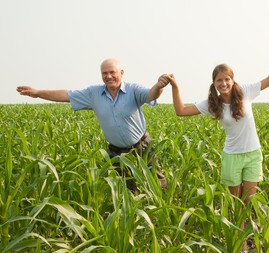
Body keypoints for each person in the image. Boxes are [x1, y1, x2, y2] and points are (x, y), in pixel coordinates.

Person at [165, 41, 269, 250]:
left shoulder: (246, 92)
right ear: (214, 83)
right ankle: (240, 243)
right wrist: (176, 86)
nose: (223, 83)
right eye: (219, 80)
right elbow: (181, 111)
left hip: (252, 154)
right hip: (232, 156)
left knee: (249, 200)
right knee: (235, 203)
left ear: (233, 80)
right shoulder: (211, 103)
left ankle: (251, 233)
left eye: (227, 79)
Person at [16, 58, 168, 192]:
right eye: (104, 73)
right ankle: (132, 219)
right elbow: (66, 95)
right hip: (117, 151)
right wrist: (37, 93)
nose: (108, 76)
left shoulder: (133, 90)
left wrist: (159, 86)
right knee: (126, 189)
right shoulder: (93, 94)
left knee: (157, 180)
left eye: (112, 72)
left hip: (141, 144)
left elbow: (151, 95)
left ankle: (165, 211)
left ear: (121, 72)